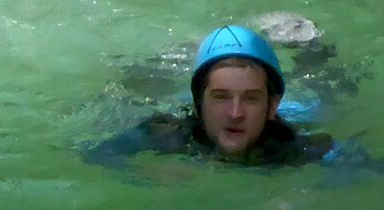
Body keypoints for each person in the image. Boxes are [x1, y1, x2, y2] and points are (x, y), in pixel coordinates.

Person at [86, 24, 353, 168]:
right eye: (220, 97)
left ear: (272, 106)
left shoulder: (295, 146)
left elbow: (360, 168)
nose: (235, 113)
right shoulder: (168, 133)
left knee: (326, 103)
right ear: (198, 104)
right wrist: (149, 175)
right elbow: (96, 155)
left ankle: (309, 44)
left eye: (251, 98)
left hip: (299, 108)